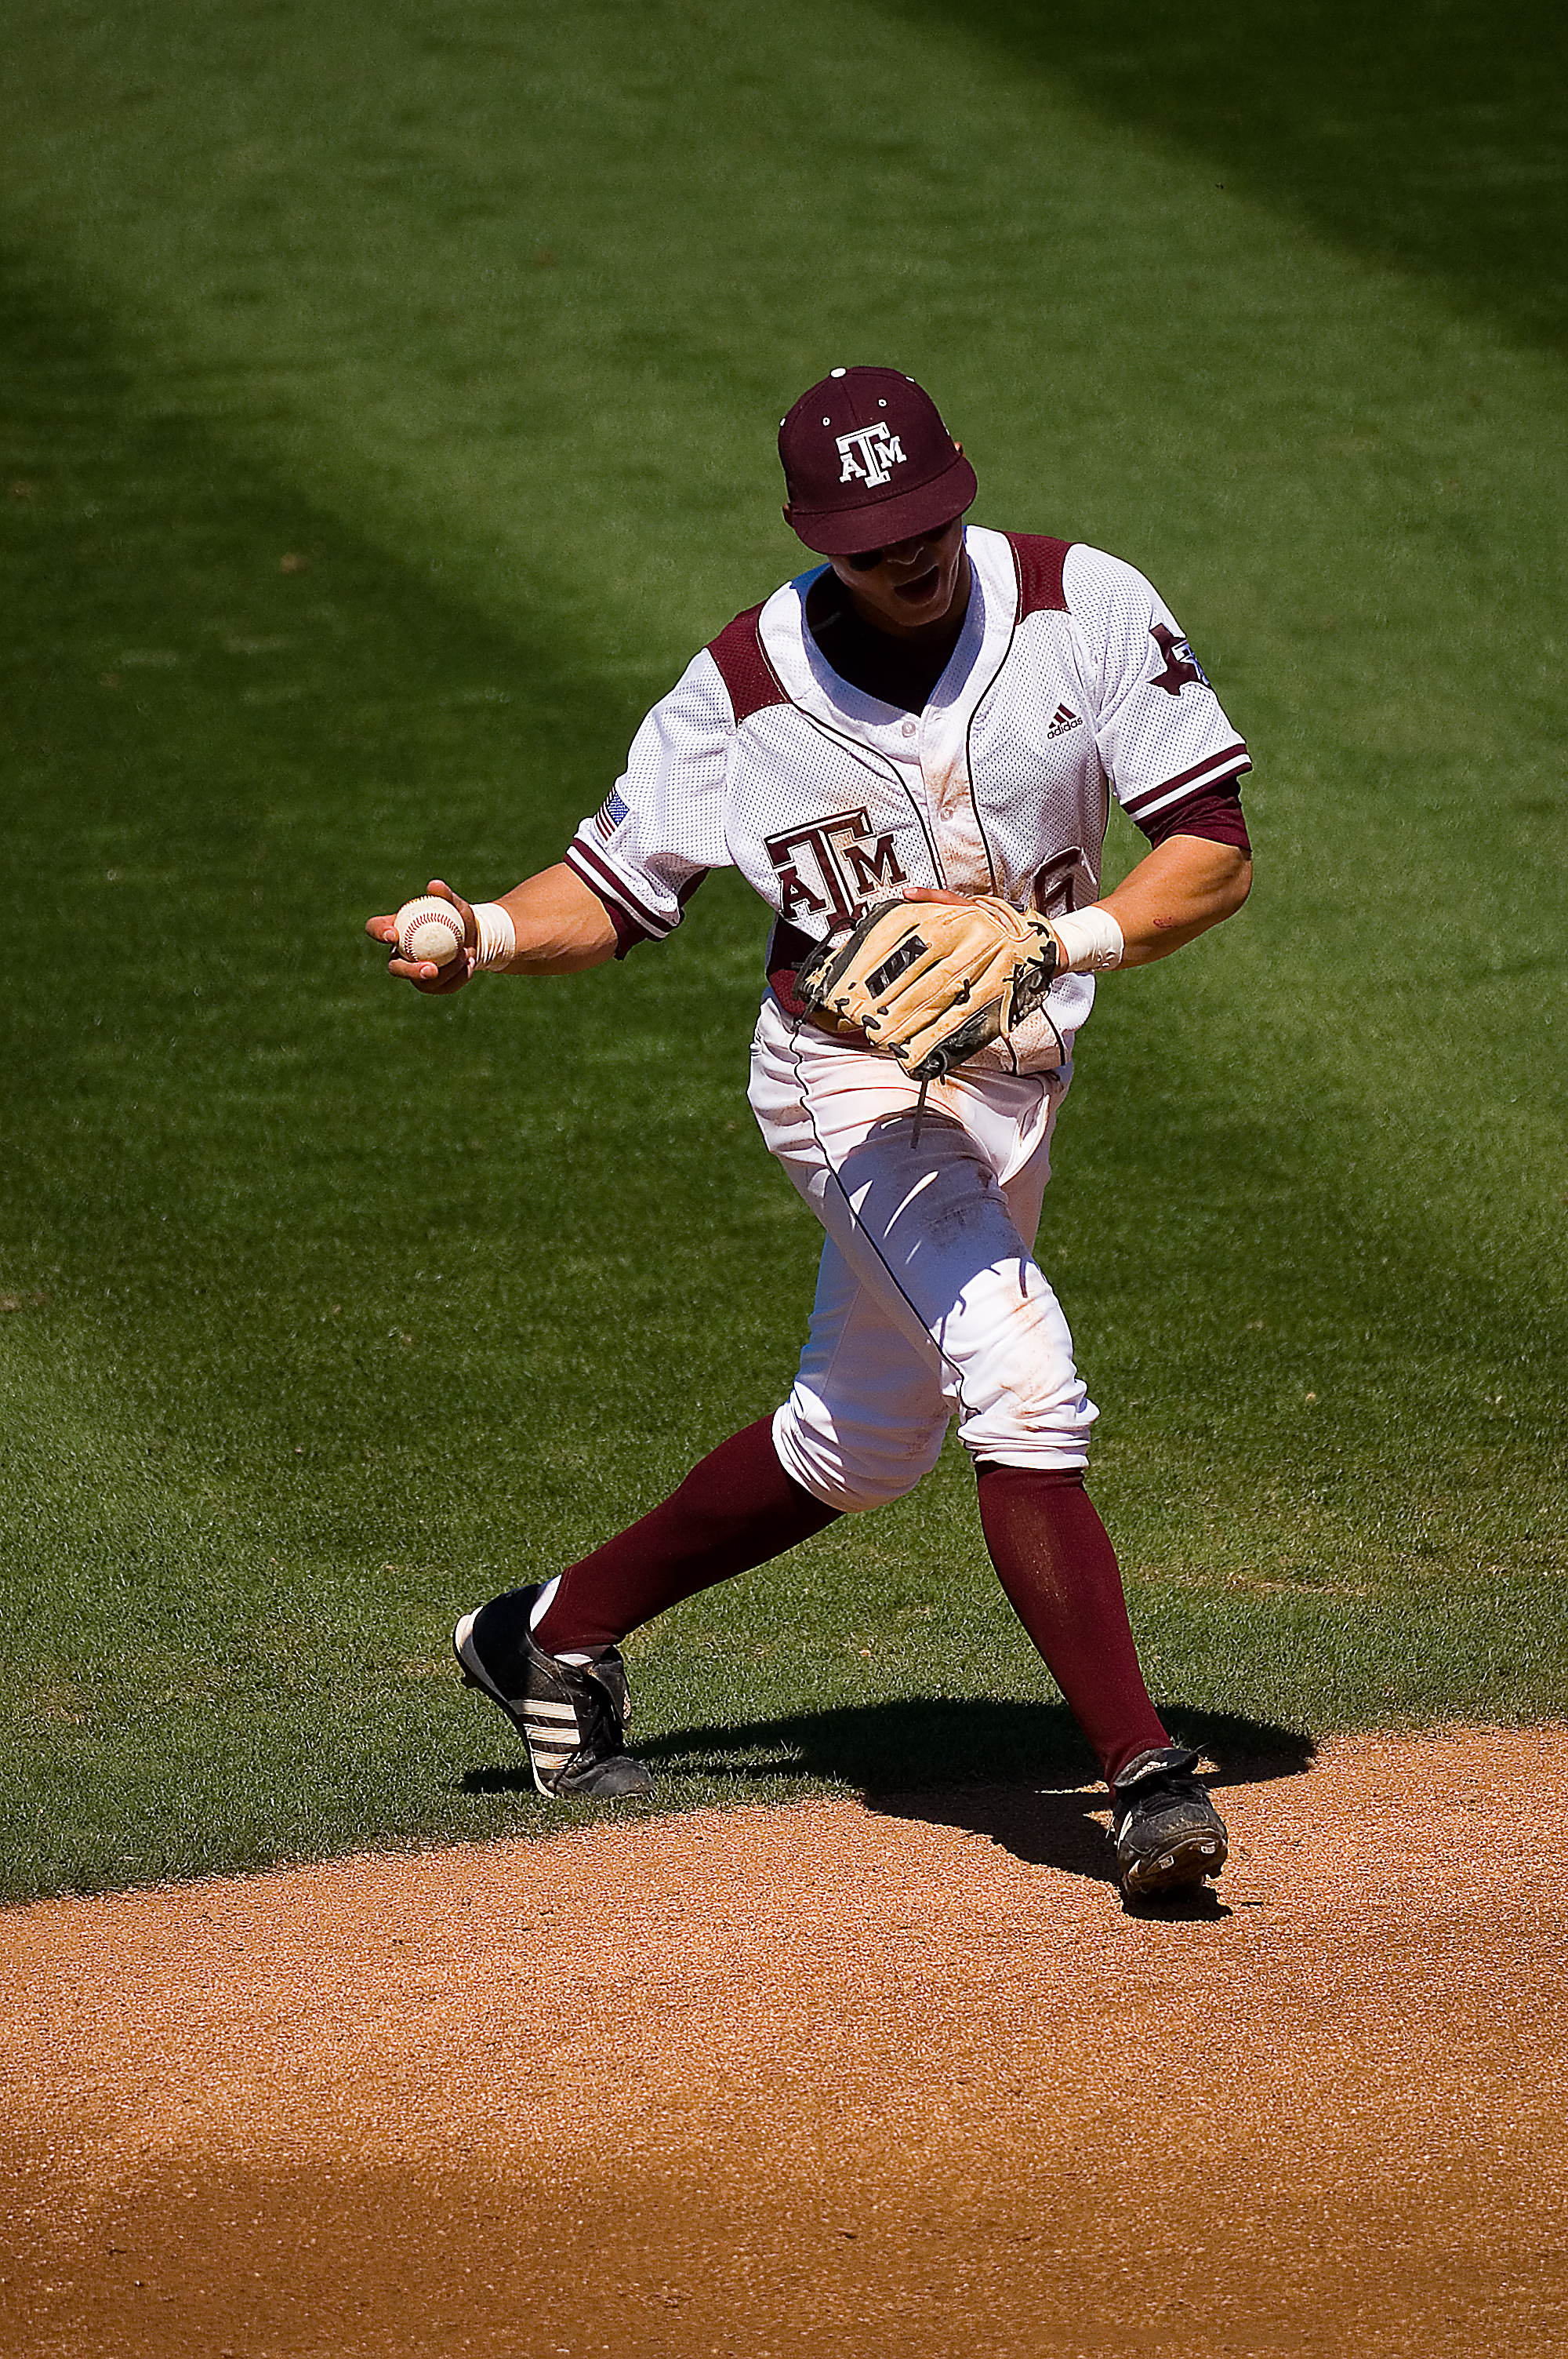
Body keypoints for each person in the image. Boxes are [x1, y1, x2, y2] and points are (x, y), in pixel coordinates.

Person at [367, 365, 1253, 1898]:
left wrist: (1060, 944)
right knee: (1018, 1376)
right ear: (810, 534)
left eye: (925, 520)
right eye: (869, 538)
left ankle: (549, 1631)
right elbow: (617, 887)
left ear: (957, 485)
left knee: (860, 1436)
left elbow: (1211, 851)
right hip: (843, 1082)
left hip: (1014, 1059)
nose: (906, 554)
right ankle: (1143, 1774)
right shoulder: (745, 688)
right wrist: (485, 935)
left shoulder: (1079, 604)